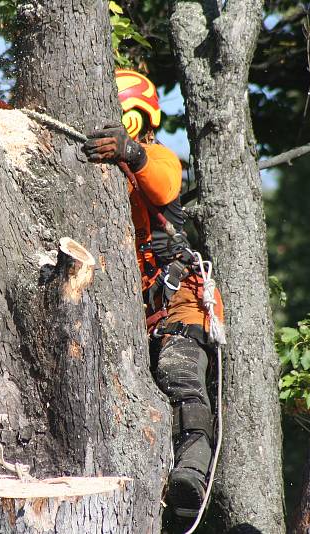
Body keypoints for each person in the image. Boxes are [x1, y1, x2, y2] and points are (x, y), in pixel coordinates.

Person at [82, 69, 225, 523]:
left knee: (178, 371)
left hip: (182, 294)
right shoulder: (102, 178)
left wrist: (130, 153)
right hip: (142, 309)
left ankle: (193, 470)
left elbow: (164, 181)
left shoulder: (154, 158)